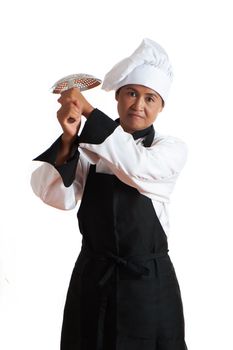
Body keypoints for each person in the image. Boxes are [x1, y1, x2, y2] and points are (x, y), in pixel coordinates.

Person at [31, 38, 188, 350]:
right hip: (93, 277)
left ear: (160, 107)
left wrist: (88, 110)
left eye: (149, 98)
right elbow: (54, 196)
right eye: (131, 93)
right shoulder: (89, 148)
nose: (138, 105)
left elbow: (135, 166)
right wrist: (68, 138)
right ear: (118, 97)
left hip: (146, 284)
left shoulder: (169, 150)